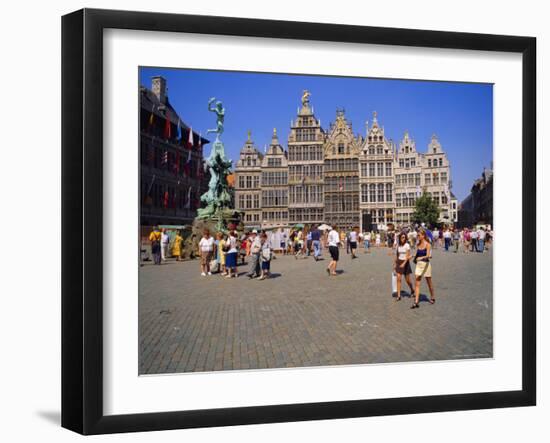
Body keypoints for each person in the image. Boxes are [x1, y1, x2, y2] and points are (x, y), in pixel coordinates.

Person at [411, 228, 435, 309]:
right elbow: (417, 254)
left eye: (419, 235)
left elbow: (428, 255)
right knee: (417, 282)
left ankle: (432, 296)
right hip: (419, 265)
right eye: (417, 235)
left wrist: (421, 258)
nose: (417, 236)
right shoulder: (418, 244)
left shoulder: (428, 244)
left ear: (423, 235)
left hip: (426, 265)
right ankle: (416, 301)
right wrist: (412, 256)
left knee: (429, 282)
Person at [394, 232, 415, 301]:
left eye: (404, 237)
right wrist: (395, 263)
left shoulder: (407, 245)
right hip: (399, 262)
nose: (403, 238)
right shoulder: (398, 245)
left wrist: (404, 263)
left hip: (405, 263)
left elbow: (408, 256)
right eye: (402, 237)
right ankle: (399, 295)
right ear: (400, 238)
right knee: (398, 279)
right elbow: (397, 255)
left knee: (408, 280)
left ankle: (412, 289)